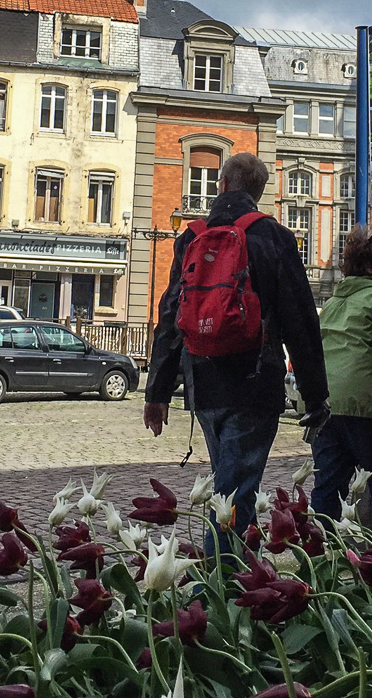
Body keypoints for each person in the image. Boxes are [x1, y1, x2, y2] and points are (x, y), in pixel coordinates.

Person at [144, 152, 330, 550]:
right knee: (234, 495)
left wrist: (158, 391)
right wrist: (315, 396)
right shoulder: (274, 237)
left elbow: (171, 316)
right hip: (255, 382)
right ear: (259, 193)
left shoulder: (191, 237)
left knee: (228, 486)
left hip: (204, 383)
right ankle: (221, 589)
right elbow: (300, 321)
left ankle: (234, 574)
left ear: (222, 185)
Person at [310, 225, 372, 550]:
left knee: (327, 489)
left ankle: (318, 558)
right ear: (370, 267)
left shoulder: (333, 304)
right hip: (367, 410)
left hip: (327, 410)